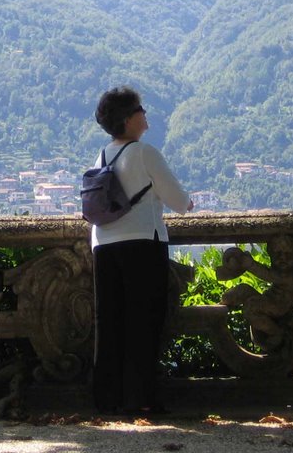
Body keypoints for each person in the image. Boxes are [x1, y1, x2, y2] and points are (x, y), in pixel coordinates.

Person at [90, 85, 193, 415]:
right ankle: (141, 398)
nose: (145, 114)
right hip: (142, 244)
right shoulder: (145, 153)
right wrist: (188, 203)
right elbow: (179, 202)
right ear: (128, 119)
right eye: (139, 110)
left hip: (104, 245)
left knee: (110, 323)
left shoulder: (103, 155)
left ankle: (108, 398)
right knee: (143, 322)